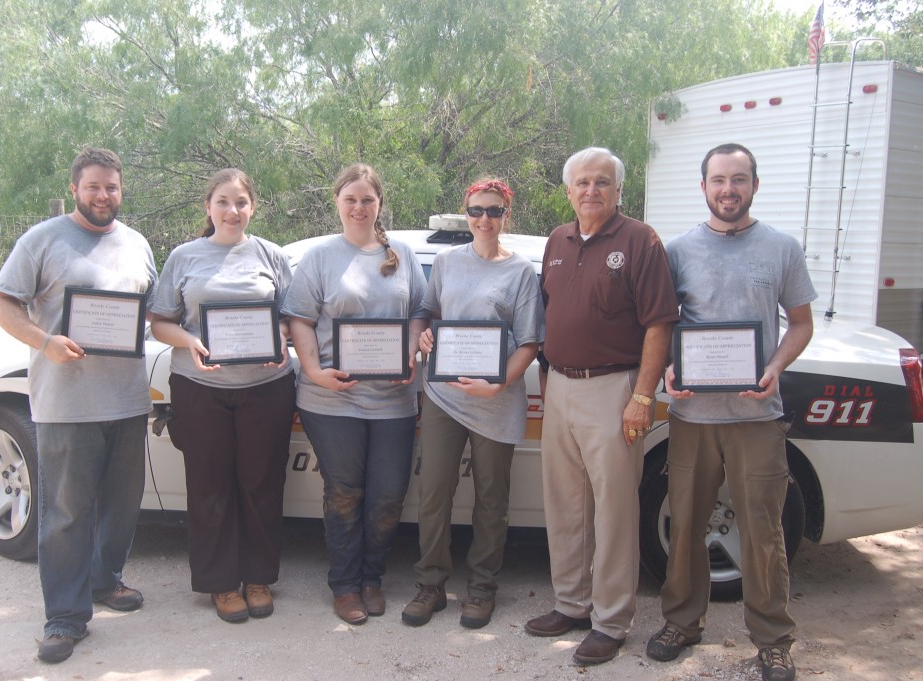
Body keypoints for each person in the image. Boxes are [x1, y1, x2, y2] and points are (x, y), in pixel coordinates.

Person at [646, 144, 815, 681]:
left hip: (757, 416)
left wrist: (775, 366)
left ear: (754, 185)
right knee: (687, 525)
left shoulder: (782, 248)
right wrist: (671, 370)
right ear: (703, 188)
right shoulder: (676, 252)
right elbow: (663, 326)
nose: (728, 190)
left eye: (738, 179)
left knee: (764, 532)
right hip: (693, 420)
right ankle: (682, 623)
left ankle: (772, 640)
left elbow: (802, 323)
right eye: (718, 180)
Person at [0, 148, 157, 663]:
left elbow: (146, 312)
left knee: (122, 504)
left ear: (121, 190)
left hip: (127, 399)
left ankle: (105, 582)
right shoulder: (42, 239)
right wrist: (45, 342)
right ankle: (64, 617)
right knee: (65, 515)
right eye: (93, 187)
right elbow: (1, 302)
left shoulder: (137, 243)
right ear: (76, 188)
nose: (103, 196)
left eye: (111, 187)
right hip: (67, 403)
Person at [524, 147, 679, 665]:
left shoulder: (640, 240)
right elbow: (550, 315)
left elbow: (659, 323)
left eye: (602, 183)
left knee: (614, 510)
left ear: (618, 191)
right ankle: (571, 603)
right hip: (560, 387)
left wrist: (643, 397)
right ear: (568, 191)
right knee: (565, 505)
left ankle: (610, 621)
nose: (592, 191)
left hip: (616, 389)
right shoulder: (557, 240)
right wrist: (547, 381)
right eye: (582, 182)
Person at [282, 163, 428, 625]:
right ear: (337, 203)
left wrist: (410, 350)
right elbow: (299, 319)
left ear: (379, 203)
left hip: (394, 400)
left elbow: (421, 311)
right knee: (344, 491)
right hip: (331, 398)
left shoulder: (401, 252)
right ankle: (345, 585)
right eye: (351, 199)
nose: (359, 207)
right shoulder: (320, 257)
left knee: (388, 494)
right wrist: (313, 371)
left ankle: (372, 578)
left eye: (367, 199)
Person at [149, 169, 296, 623]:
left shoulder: (271, 255)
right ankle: (219, 584)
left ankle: (257, 578)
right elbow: (160, 321)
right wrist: (189, 341)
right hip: (200, 390)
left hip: (265, 389)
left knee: (262, 484)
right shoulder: (184, 256)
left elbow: (293, 318)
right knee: (209, 486)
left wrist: (281, 338)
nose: (233, 211)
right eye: (223, 202)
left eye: (241, 203)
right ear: (208, 207)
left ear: (253, 207)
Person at [401, 179, 544, 630]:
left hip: (496, 400)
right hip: (444, 396)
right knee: (434, 492)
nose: (485, 219)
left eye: (494, 211)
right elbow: (426, 311)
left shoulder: (520, 272)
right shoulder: (445, 262)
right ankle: (431, 585)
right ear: (466, 213)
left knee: (491, 500)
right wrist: (421, 334)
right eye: (477, 210)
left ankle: (482, 589)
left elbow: (530, 342)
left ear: (507, 216)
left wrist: (498, 382)